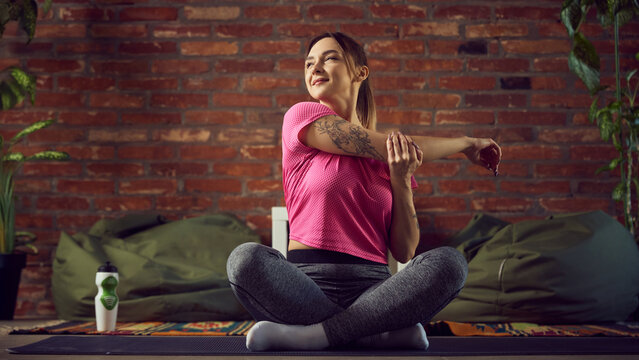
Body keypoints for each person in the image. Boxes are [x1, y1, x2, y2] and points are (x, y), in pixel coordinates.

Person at [226, 32, 502, 351]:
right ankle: (371, 332)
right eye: (309, 63)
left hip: (375, 292)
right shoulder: (301, 117)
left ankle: (315, 336)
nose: (315, 68)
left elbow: (404, 251)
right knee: (244, 259)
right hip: (304, 286)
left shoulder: (394, 160)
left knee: (451, 263)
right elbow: (386, 146)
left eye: (329, 58)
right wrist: (466, 144)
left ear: (360, 72)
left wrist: (400, 179)